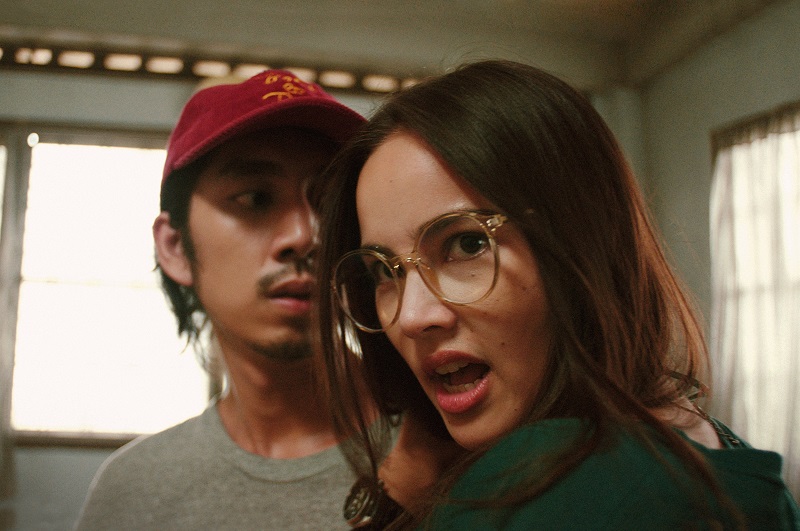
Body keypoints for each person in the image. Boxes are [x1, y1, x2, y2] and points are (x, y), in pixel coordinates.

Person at [311, 60, 800, 529]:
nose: (412, 317)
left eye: (467, 244)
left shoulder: (538, 489)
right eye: (384, 271)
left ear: (580, 241)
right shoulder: (709, 445)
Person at [76, 69, 366, 530]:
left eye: (329, 202)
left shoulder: (443, 455)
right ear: (175, 247)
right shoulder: (136, 491)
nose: (304, 235)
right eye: (254, 199)